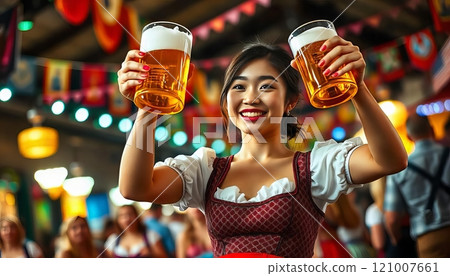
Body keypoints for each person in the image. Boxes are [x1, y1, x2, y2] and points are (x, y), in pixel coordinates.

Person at [117, 34, 408, 257]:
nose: (251, 98)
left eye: (267, 86)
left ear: (290, 101)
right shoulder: (205, 172)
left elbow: (390, 161)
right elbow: (135, 188)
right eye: (239, 86)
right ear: (226, 99)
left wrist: (359, 90)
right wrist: (147, 110)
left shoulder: (313, 167)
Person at [384, 114, 450, 257]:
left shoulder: (399, 169)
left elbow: (392, 218)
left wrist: (396, 240)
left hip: (430, 240)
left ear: (408, 136)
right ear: (432, 130)